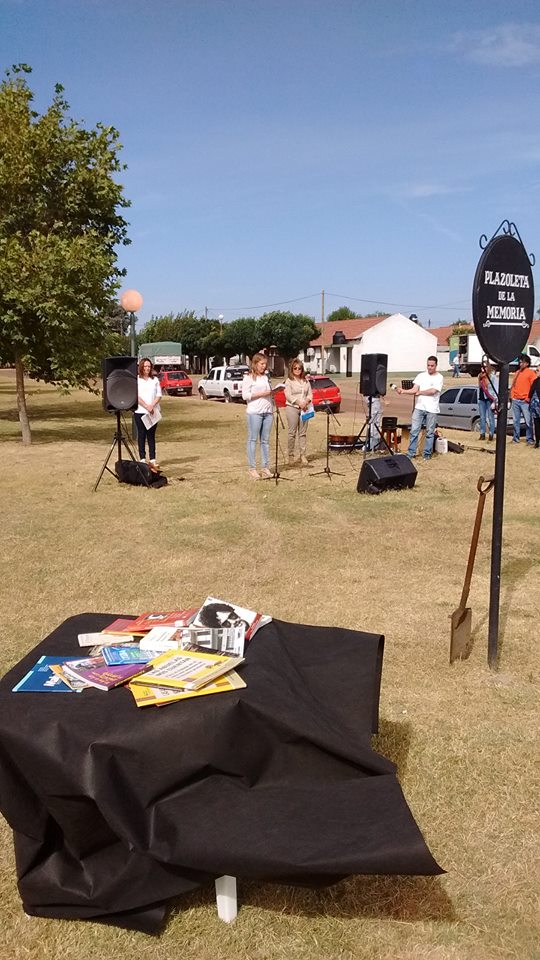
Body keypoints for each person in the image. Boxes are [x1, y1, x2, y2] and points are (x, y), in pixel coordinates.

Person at [241, 353, 283, 479]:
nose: (264, 366)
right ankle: (252, 468)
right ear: (255, 364)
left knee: (265, 441)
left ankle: (265, 467)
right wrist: (263, 393)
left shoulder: (265, 377)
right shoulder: (248, 378)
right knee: (253, 440)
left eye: (265, 364)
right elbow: (245, 396)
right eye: (262, 364)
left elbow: (269, 392)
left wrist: (274, 391)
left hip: (268, 411)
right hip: (255, 412)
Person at [397, 356, 444, 461]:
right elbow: (414, 389)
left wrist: (420, 392)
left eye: (432, 366)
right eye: (428, 365)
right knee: (414, 430)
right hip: (419, 407)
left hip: (432, 409)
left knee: (429, 432)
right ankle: (411, 453)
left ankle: (426, 454)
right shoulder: (421, 376)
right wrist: (403, 391)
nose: (430, 367)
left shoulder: (439, 377)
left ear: (436, 365)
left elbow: (433, 391)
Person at [284, 358, 313, 465]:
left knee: (303, 433)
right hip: (292, 407)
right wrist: (298, 402)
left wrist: (306, 401)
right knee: (292, 433)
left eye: (299, 368)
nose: (297, 370)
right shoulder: (289, 381)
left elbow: (310, 394)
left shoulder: (306, 381)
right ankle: (290, 455)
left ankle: (303, 455)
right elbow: (288, 395)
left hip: (305, 409)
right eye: (295, 368)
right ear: (292, 369)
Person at [135, 357, 162, 467]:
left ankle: (152, 459)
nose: (147, 368)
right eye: (145, 366)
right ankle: (142, 458)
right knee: (141, 434)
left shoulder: (155, 380)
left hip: (152, 412)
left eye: (149, 366)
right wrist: (146, 406)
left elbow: (159, 395)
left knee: (151, 435)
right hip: (140, 411)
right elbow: (136, 396)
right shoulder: (137, 380)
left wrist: (152, 406)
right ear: (141, 367)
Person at [510, 353, 537, 445]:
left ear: (527, 363)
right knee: (515, 421)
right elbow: (513, 385)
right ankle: (515, 438)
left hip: (525, 401)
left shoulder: (531, 373)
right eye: (519, 362)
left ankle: (529, 439)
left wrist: (529, 397)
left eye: (522, 362)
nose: (520, 364)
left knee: (528, 421)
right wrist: (512, 396)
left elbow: (534, 386)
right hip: (516, 400)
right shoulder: (517, 373)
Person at [477, 361, 498, 441]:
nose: (483, 368)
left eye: (485, 367)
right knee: (482, 417)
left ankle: (491, 434)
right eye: (482, 367)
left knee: (490, 417)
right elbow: (479, 388)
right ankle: (482, 434)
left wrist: (495, 401)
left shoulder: (492, 377)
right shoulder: (480, 376)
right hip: (481, 399)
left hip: (489, 399)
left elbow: (496, 389)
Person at [528, 367, 540, 448]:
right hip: (534, 406)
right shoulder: (535, 381)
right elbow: (531, 392)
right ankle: (537, 442)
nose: (536, 372)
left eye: (538, 370)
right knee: (536, 424)